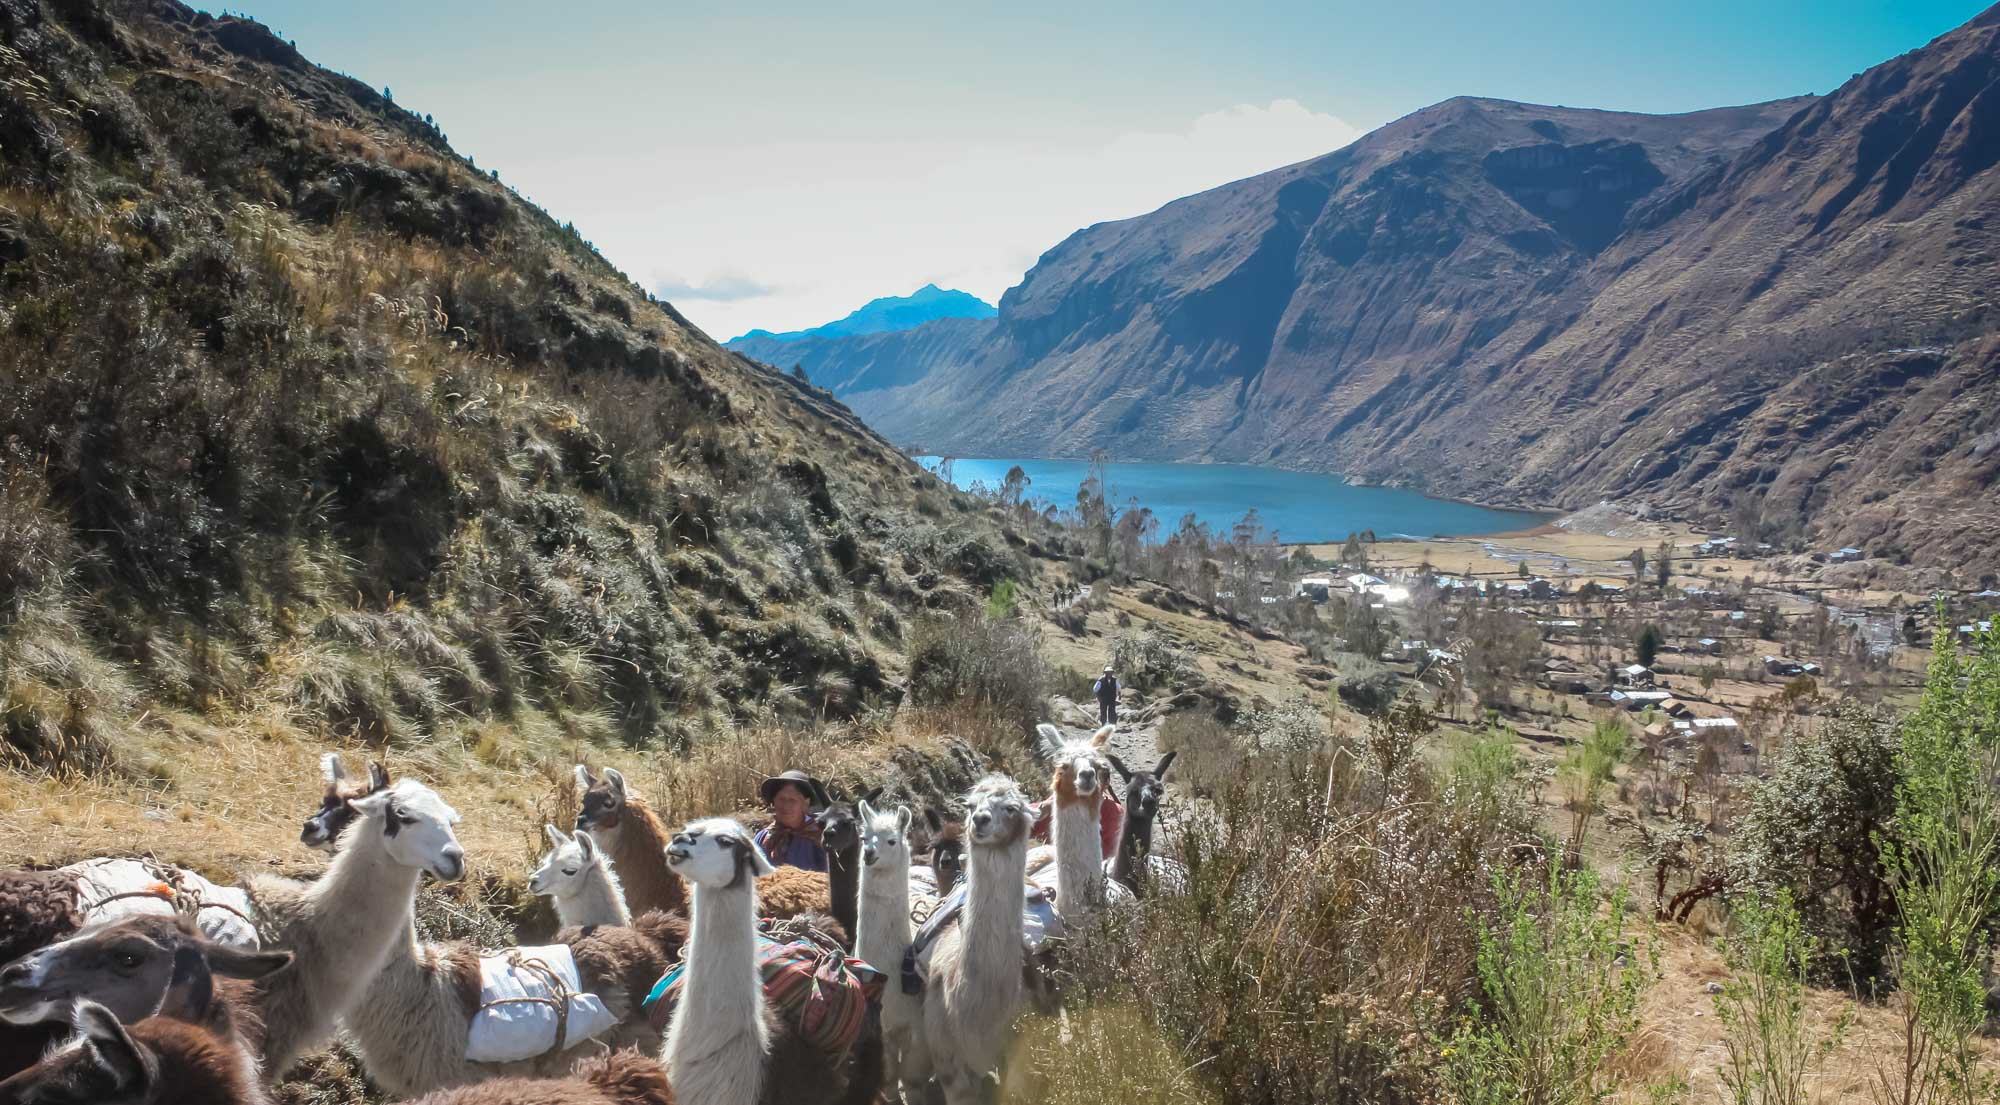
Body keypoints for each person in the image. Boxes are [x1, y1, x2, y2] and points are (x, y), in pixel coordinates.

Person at [754, 769, 830, 871]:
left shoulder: (821, 838)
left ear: (805, 804)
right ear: (773, 801)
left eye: (792, 800)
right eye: (781, 799)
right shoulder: (763, 838)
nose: (786, 806)